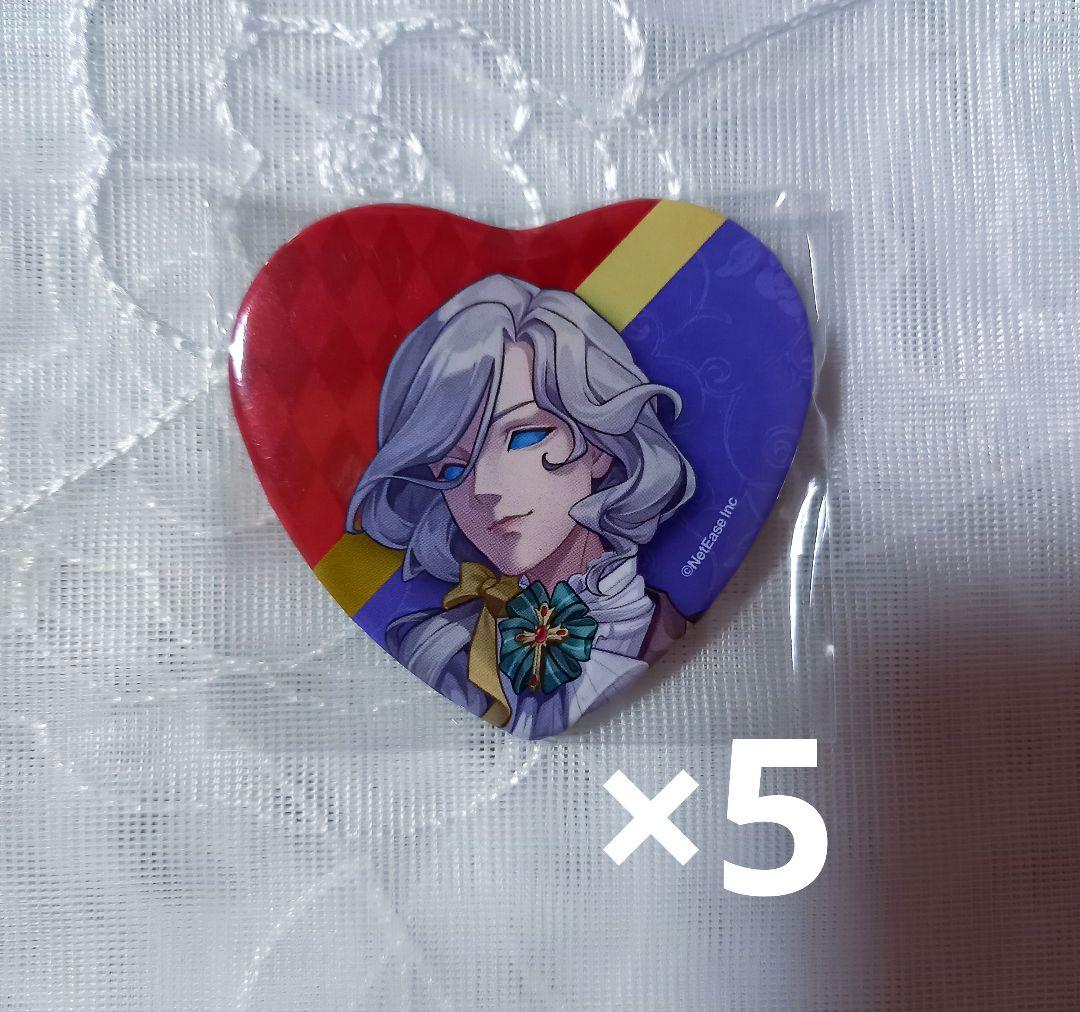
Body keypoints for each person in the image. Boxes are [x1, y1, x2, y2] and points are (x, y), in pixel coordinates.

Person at [348, 273, 695, 737]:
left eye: (524, 437)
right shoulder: (434, 652)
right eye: (451, 469)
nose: (483, 488)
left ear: (598, 444)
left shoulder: (662, 631)